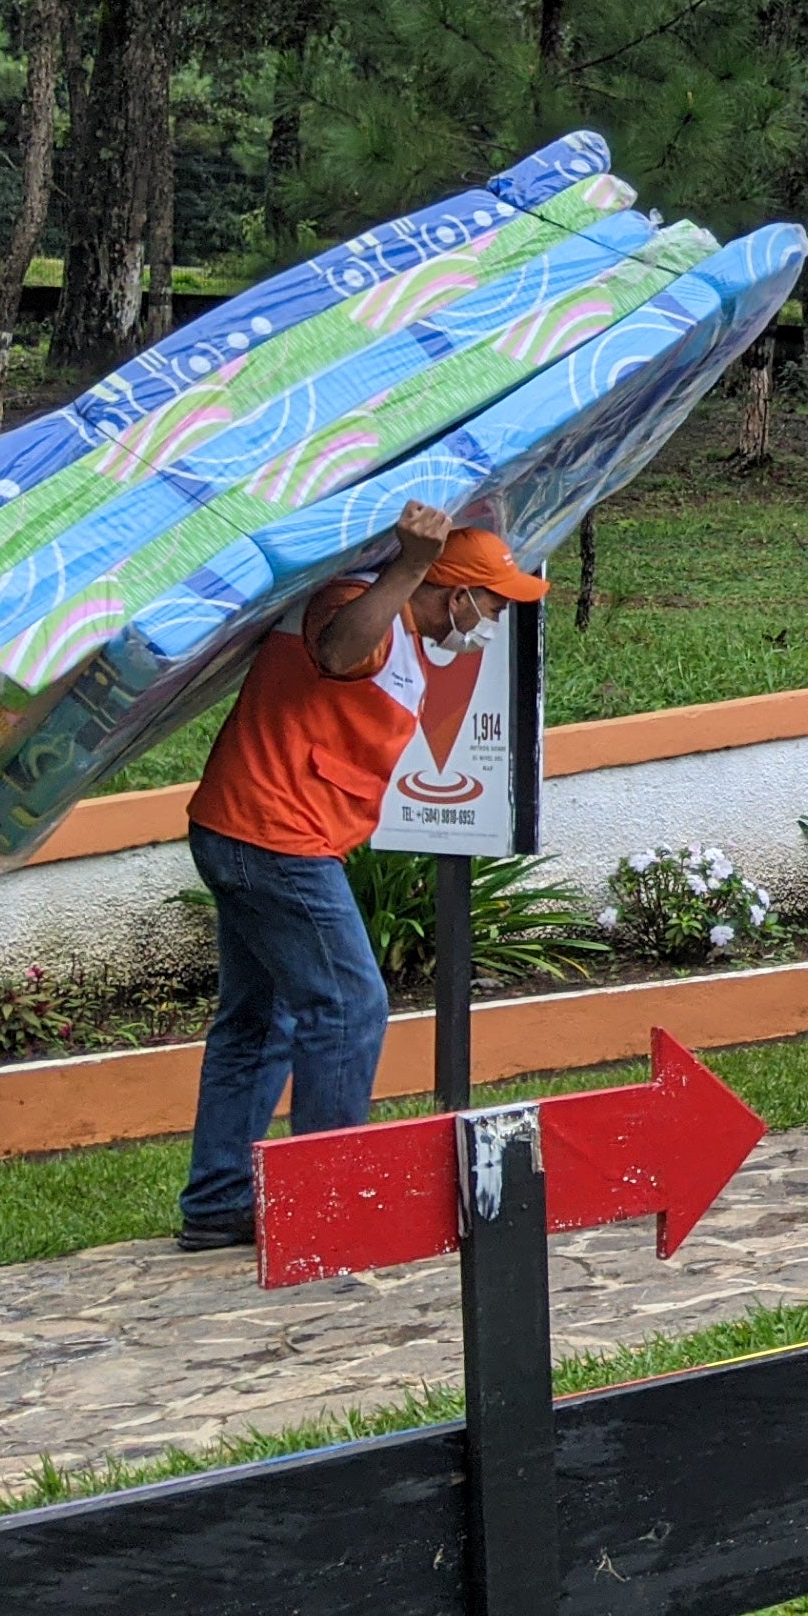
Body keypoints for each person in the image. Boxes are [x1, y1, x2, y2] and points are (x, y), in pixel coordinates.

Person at [177, 502, 546, 1251]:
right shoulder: (358, 607)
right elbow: (343, 651)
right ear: (453, 594)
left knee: (262, 1019)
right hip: (273, 838)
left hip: (245, 827)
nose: (493, 623)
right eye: (493, 605)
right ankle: (325, 1207)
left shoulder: (401, 630)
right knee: (348, 1005)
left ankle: (219, 1203)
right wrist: (410, 562)